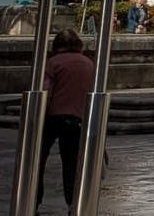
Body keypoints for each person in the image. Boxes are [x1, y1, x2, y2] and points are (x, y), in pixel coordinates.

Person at [39, 28, 94, 211]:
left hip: (53, 117)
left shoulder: (53, 63)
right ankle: (72, 203)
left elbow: (46, 91)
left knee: (37, 160)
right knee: (71, 164)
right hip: (78, 118)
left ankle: (34, 198)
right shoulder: (88, 63)